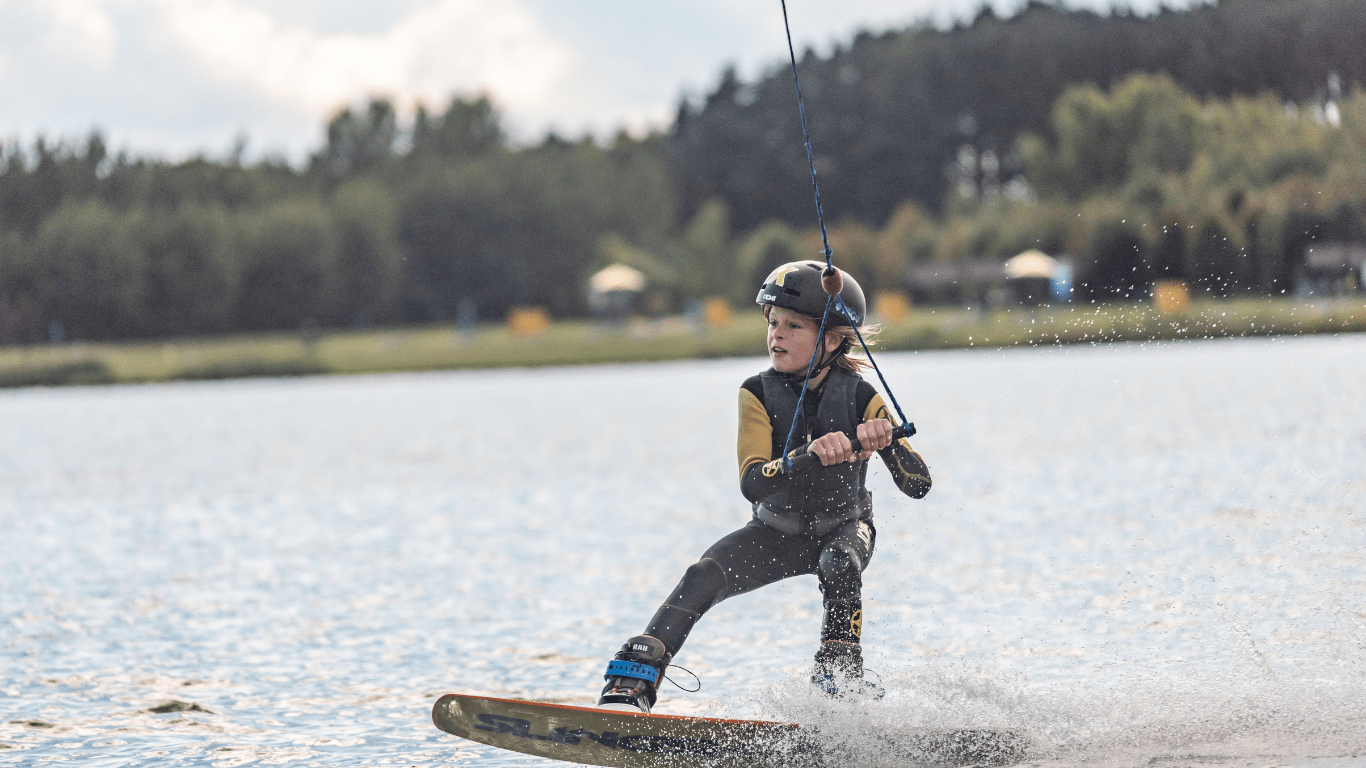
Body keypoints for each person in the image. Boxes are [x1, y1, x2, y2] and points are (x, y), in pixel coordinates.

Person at [597, 261, 933, 714]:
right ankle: (632, 683)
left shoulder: (860, 396)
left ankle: (839, 682)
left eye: (794, 325)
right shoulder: (755, 392)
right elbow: (753, 482)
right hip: (773, 534)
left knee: (839, 563)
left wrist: (886, 439)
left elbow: (918, 484)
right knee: (702, 575)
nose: (777, 334)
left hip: (845, 530)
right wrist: (808, 455)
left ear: (833, 339)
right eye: (773, 323)